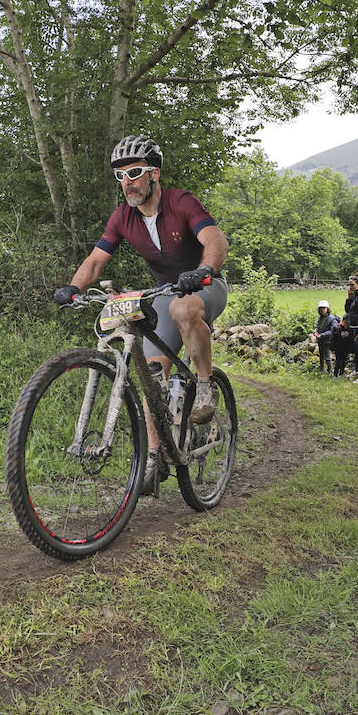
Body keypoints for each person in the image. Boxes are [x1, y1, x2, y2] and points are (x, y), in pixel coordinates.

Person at [54, 134, 230, 485]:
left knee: (182, 309)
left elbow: (215, 240)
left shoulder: (181, 203)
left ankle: (206, 384)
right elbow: (95, 260)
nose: (127, 182)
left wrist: (204, 270)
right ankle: (155, 455)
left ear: (154, 174)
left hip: (205, 287)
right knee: (151, 374)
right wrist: (74, 287)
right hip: (164, 294)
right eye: (120, 176)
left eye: (134, 172)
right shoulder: (122, 217)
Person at [312, 300, 342, 376]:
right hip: (320, 340)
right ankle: (321, 368)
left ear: (327, 309)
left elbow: (332, 331)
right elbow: (316, 327)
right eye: (321, 308)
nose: (322, 310)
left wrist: (322, 335)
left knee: (327, 356)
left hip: (328, 341)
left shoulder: (332, 319)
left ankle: (329, 370)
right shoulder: (320, 318)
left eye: (324, 308)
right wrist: (315, 332)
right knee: (321, 355)